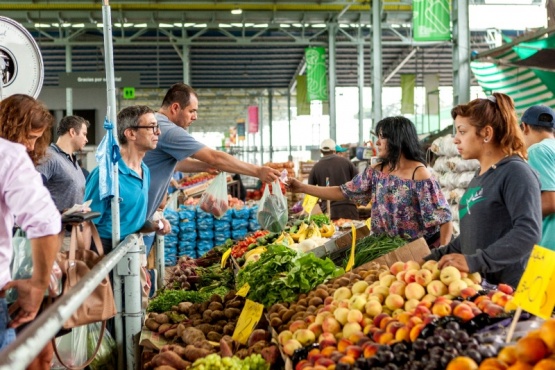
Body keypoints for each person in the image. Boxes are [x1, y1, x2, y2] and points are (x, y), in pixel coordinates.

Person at [424, 93, 542, 287]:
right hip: (482, 288)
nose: (455, 139)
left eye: (462, 131)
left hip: (511, 291)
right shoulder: (481, 175)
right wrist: (431, 258)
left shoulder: (516, 172)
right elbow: (473, 235)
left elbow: (528, 232)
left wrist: (475, 261)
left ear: (486, 133)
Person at [287, 116, 453, 247]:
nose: (377, 143)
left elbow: (444, 218)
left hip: (416, 251)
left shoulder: (419, 174)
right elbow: (342, 191)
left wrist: (442, 252)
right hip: (383, 249)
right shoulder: (376, 171)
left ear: (397, 140)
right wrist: (301, 187)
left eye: (382, 138)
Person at [143, 83, 281, 222]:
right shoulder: (169, 130)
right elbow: (214, 157)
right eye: (192, 111)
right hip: (142, 212)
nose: (195, 117)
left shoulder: (157, 122)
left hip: (143, 210)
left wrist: (205, 167)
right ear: (175, 108)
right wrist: (257, 171)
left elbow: (176, 163)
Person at [0, 94, 61, 368]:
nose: (29, 145)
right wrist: (38, 286)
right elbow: (45, 224)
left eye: (36, 139)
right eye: (28, 135)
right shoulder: (8, 156)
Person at [85, 105, 171, 255]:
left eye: (157, 126)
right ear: (131, 133)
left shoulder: (144, 171)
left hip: (130, 249)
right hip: (104, 254)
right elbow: (87, 224)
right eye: (151, 127)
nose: (158, 132)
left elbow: (132, 222)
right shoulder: (106, 175)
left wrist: (153, 226)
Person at [520, 105, 555, 251]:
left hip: (550, 243)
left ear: (525, 127)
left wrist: (516, 214)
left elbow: (550, 201)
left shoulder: (537, 150)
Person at [36, 115, 89, 213]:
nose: (86, 139)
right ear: (72, 132)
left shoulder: (73, 161)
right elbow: (31, 191)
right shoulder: (49, 157)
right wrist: (59, 214)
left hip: (73, 226)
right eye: (84, 134)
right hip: (54, 226)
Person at [308, 138, 359, 220]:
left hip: (330, 211)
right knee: (352, 232)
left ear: (321, 151)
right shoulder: (347, 162)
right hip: (350, 209)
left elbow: (310, 192)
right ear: (334, 150)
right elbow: (359, 183)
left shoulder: (316, 167)